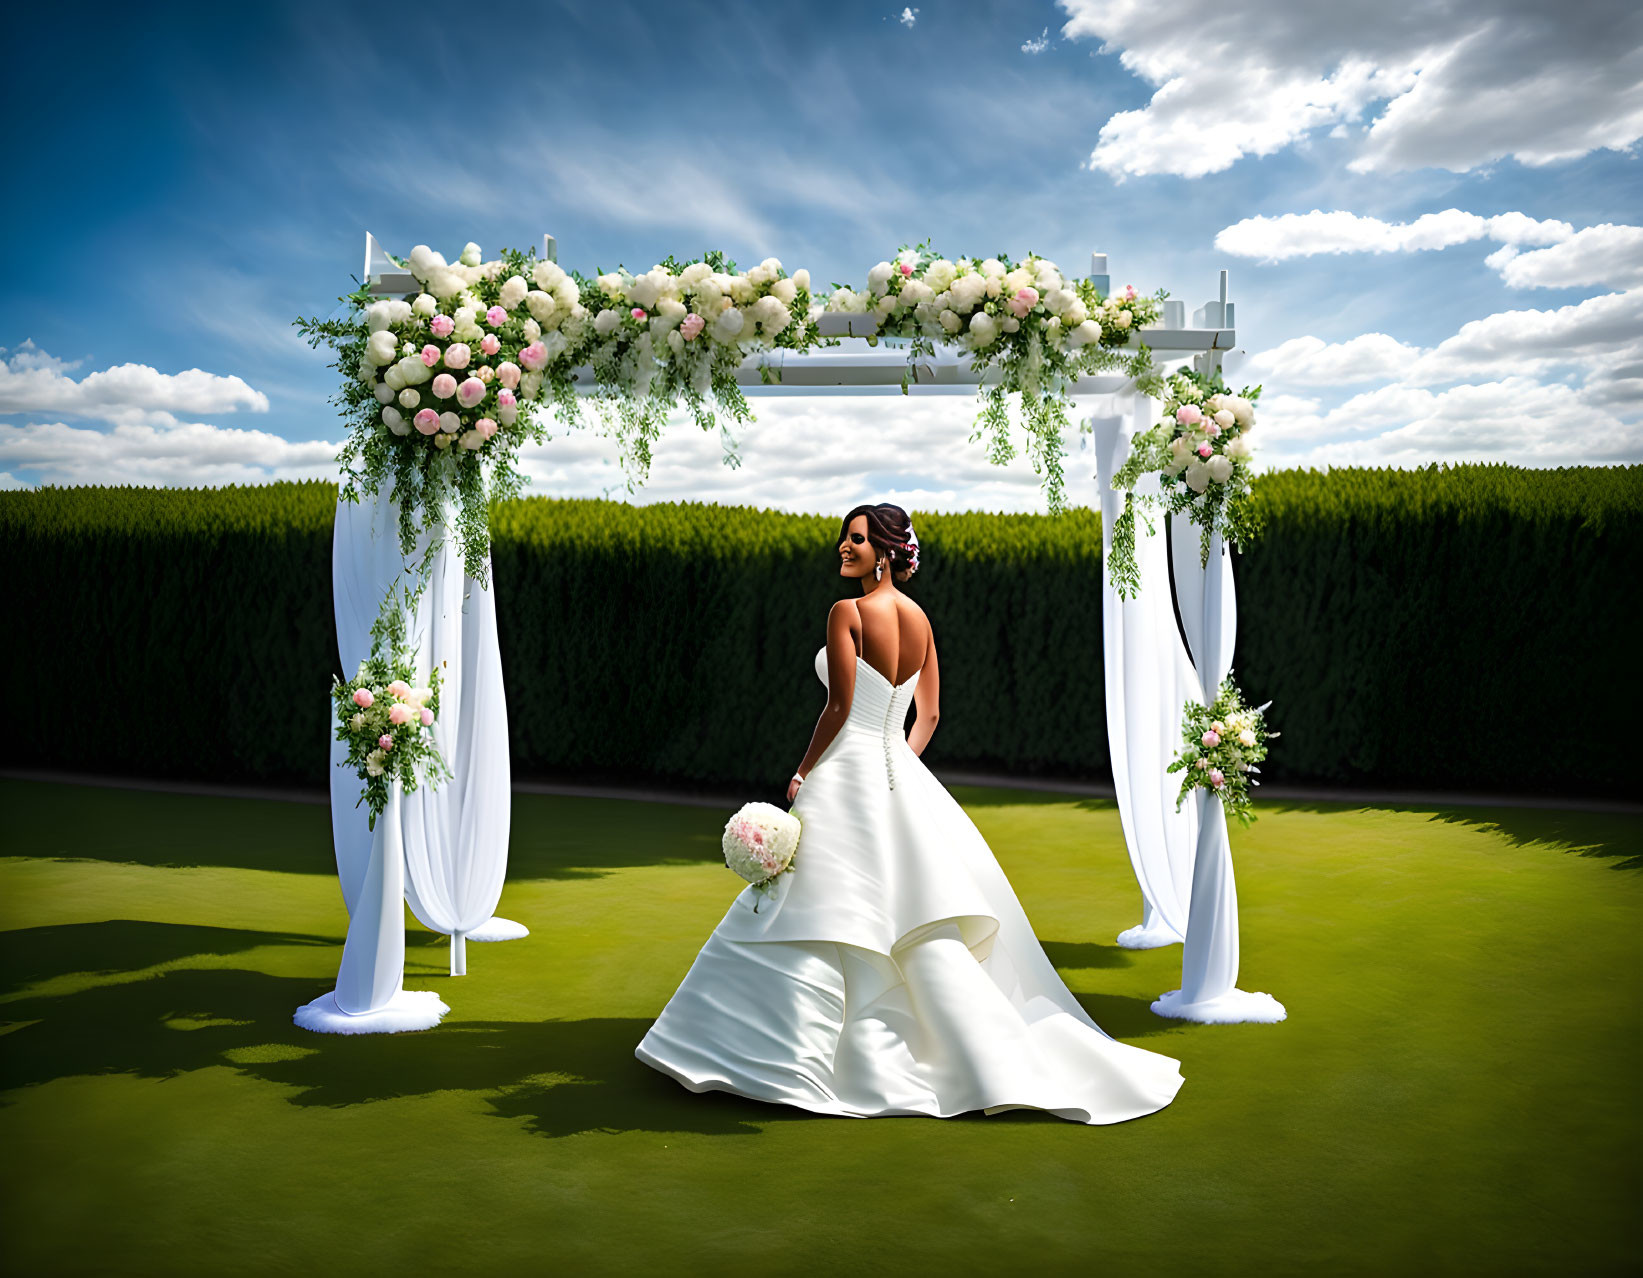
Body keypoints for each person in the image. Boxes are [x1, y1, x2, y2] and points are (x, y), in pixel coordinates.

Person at [636, 503, 1184, 1123]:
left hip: (846, 771)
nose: (844, 547)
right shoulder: (920, 619)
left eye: (858, 540)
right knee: (897, 912)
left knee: (818, 904)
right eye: (845, 537)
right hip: (897, 773)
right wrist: (898, 762)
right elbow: (929, 716)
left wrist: (803, 771)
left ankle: (778, 1055)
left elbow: (839, 706)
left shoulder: (848, 612)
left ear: (887, 551)